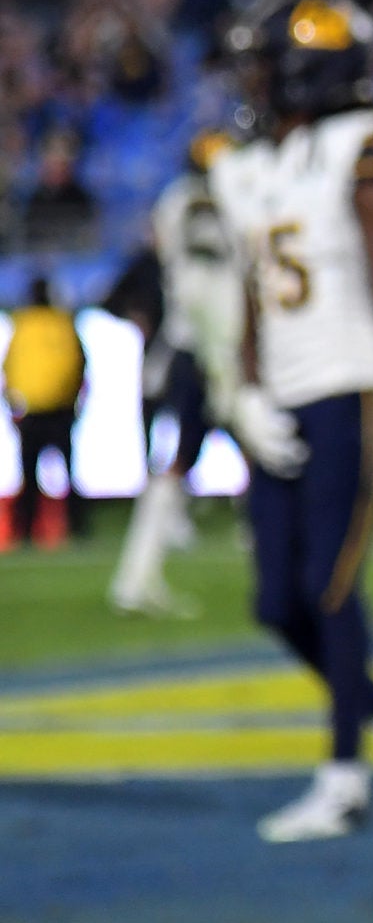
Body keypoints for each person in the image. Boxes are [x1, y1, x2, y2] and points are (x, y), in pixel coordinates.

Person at [209, 0, 373, 842]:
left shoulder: (363, 145)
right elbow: (253, 287)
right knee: (277, 602)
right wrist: (245, 386)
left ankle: (345, 777)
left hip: (352, 386)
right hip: (282, 396)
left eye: (269, 63)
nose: (254, 80)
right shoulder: (257, 164)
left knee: (331, 584)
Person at [103, 131, 241, 615]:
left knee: (186, 457)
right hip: (211, 346)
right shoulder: (201, 204)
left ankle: (136, 575)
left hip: (194, 342)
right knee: (206, 453)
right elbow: (204, 283)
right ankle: (136, 576)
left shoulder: (176, 201)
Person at [5, 274, 87, 545]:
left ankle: (26, 533)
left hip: (31, 412)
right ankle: (77, 529)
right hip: (61, 410)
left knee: (28, 478)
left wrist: (12, 407)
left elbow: (8, 370)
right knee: (69, 475)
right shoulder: (63, 323)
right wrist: (77, 403)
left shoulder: (22, 325)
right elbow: (81, 365)